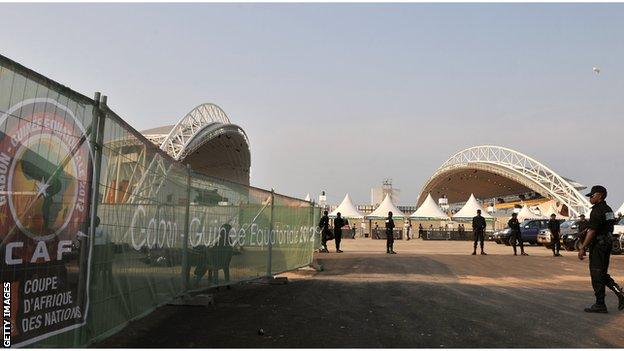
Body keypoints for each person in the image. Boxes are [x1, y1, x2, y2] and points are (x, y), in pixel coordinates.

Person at [578, 185, 624, 313]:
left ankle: (600, 304)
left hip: (599, 246)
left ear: (600, 195)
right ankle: (619, 293)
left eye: (592, 195)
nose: (590, 198)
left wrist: (582, 248)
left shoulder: (597, 210)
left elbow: (593, 230)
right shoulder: (608, 209)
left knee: (596, 274)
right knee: (602, 273)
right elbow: (607, 226)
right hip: (606, 244)